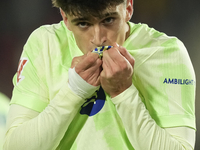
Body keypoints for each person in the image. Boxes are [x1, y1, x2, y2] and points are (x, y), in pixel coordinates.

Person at [3, 0, 196, 149]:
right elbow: (14, 146)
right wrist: (74, 91)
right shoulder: (45, 43)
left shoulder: (167, 53)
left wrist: (124, 92)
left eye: (108, 20)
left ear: (128, 7)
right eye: (83, 23)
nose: (98, 39)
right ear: (65, 18)